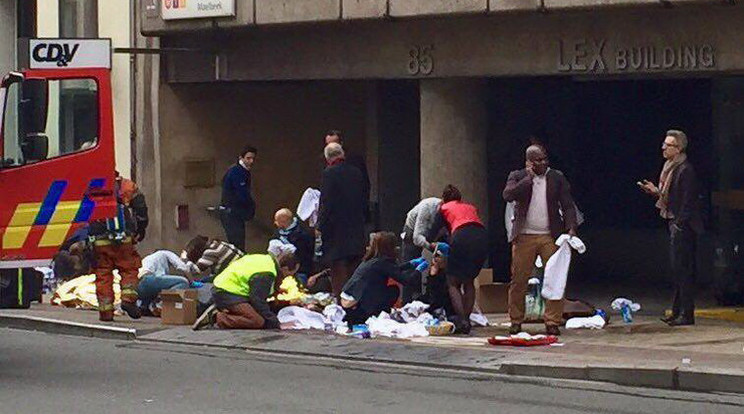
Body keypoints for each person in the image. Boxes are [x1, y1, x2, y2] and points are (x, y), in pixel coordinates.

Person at [503, 144, 578, 336]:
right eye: (538, 160)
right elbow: (508, 195)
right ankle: (516, 320)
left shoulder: (557, 177)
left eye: (545, 159)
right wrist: (528, 178)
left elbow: (568, 205)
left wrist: (571, 228)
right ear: (528, 162)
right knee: (519, 280)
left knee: (555, 278)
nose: (543, 163)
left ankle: (552, 320)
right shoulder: (517, 176)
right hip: (524, 236)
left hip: (550, 235)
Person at [639, 130, 703, 327]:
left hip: (683, 224)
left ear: (679, 148)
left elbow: (688, 201)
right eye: (664, 144)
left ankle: (686, 313)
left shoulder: (685, 169)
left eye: (669, 145)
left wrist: (680, 224)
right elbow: (670, 196)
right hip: (673, 220)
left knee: (683, 269)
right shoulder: (669, 168)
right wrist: (656, 192)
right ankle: (677, 311)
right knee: (676, 269)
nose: (664, 148)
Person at [88, 175, 149, 321]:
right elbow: (140, 206)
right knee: (129, 269)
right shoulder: (125, 185)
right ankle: (128, 299)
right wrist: (141, 228)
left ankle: (105, 312)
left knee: (103, 274)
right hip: (123, 238)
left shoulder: (89, 185)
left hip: (98, 239)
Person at [192, 252, 299, 330]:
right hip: (229, 292)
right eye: (291, 273)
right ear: (284, 269)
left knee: (258, 315)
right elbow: (258, 300)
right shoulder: (267, 273)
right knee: (257, 321)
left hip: (226, 287)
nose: (289, 277)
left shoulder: (265, 259)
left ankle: (224, 311)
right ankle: (216, 318)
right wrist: (276, 323)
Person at [341, 232, 425, 325]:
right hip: (359, 308)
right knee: (393, 290)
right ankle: (375, 314)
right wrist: (419, 270)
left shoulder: (371, 260)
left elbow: (393, 270)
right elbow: (407, 281)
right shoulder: (383, 262)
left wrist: (410, 264)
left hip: (348, 303)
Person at [318, 143, 367, 297]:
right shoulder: (356, 173)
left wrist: (320, 225)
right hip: (356, 228)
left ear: (328, 158)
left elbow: (327, 202)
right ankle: (355, 301)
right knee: (355, 269)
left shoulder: (329, 174)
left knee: (338, 271)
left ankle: (341, 304)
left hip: (336, 231)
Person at [439, 185, 489, 334]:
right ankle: (467, 318)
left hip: (461, 236)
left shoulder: (443, 208)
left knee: (452, 281)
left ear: (444, 198)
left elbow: (439, 229)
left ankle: (462, 320)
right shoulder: (470, 207)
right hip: (481, 236)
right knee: (469, 280)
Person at [325, 130, 370, 219]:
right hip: (333, 212)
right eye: (328, 144)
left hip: (353, 209)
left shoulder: (354, 161)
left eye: (334, 144)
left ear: (341, 144)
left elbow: (365, 184)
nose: (331, 147)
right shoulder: (324, 163)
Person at [219, 145, 257, 251]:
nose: (251, 161)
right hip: (232, 213)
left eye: (253, 158)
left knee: (238, 243)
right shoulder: (237, 172)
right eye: (248, 158)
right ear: (241, 158)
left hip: (234, 213)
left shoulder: (239, 171)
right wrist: (250, 207)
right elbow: (242, 194)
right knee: (237, 244)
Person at [137, 250, 196, 316]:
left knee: (157, 288)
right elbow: (184, 268)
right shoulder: (165, 252)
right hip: (148, 280)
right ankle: (160, 305)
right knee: (183, 282)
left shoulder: (147, 259)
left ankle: (144, 307)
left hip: (137, 287)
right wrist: (192, 282)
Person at [271, 208, 315, 286]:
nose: (275, 223)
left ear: (284, 221)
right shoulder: (278, 231)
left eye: (277, 221)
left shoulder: (302, 234)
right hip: (281, 270)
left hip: (299, 271)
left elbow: (305, 255)